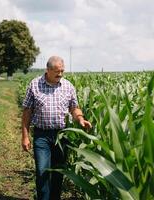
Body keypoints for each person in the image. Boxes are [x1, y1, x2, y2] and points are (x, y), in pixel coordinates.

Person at [21, 56, 92, 200]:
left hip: (62, 136)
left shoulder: (68, 86)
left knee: (59, 173)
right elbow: (27, 111)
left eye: (62, 71)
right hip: (42, 135)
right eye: (56, 71)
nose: (60, 74)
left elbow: (74, 108)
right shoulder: (34, 85)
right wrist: (25, 135)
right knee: (42, 171)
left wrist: (81, 119)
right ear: (47, 70)